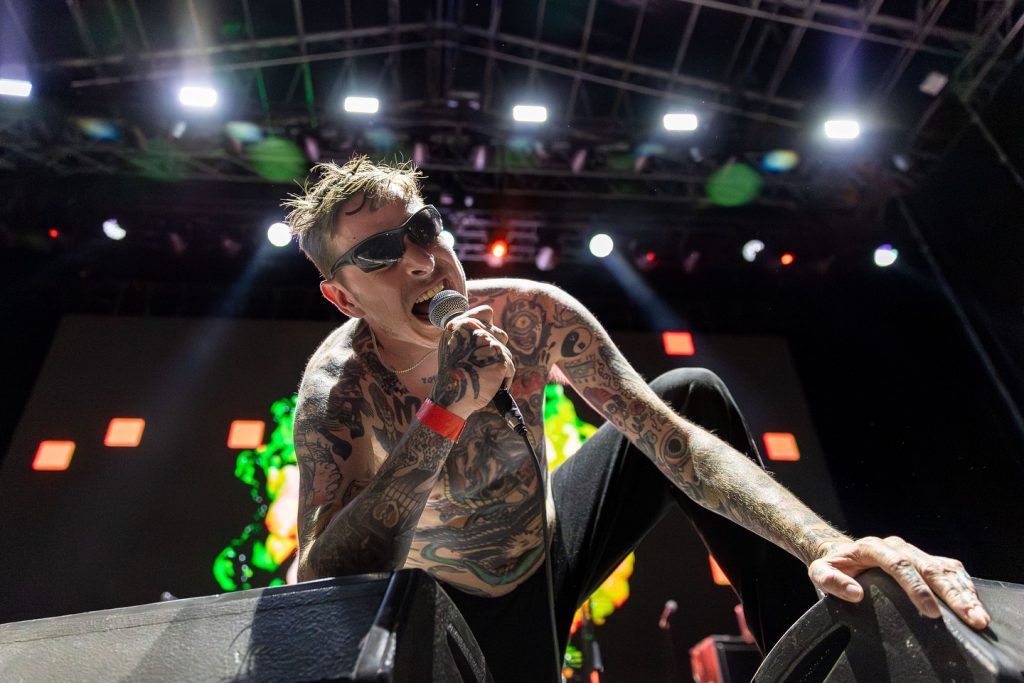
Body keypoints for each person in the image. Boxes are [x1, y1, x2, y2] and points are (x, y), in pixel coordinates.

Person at [283, 157, 989, 681]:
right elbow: (320, 573)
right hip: (452, 598)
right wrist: (447, 410)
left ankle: (822, 650)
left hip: (551, 544)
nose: (419, 261)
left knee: (689, 392)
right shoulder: (339, 390)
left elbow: (671, 439)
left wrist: (822, 541)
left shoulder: (532, 315)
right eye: (379, 254)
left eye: (422, 229)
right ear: (344, 298)